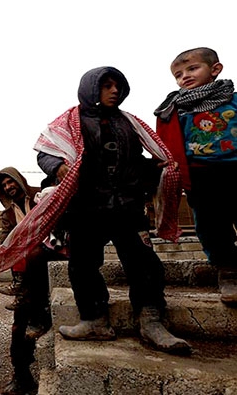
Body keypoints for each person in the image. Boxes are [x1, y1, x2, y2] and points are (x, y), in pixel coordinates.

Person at [34, 66, 191, 355]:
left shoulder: (129, 123)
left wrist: (153, 167)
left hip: (127, 208)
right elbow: (47, 151)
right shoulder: (69, 122)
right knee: (82, 266)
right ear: (91, 88)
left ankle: (151, 321)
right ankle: (95, 321)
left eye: (118, 86)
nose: (114, 91)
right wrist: (58, 167)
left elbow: (136, 160)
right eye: (106, 85)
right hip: (86, 209)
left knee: (145, 264)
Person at [154, 47, 237, 305]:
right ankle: (229, 272)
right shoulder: (175, 108)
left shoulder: (232, 99)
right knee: (211, 224)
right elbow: (166, 144)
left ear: (215, 69)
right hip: (201, 174)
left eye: (192, 69)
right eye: (178, 75)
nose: (184, 77)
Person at [0, 167, 56, 395]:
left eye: (11, 182)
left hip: (50, 260)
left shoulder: (41, 195)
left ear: (20, 181)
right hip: (26, 277)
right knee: (19, 327)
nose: (9, 187)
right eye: (4, 186)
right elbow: (5, 239)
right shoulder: (8, 215)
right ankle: (21, 376)